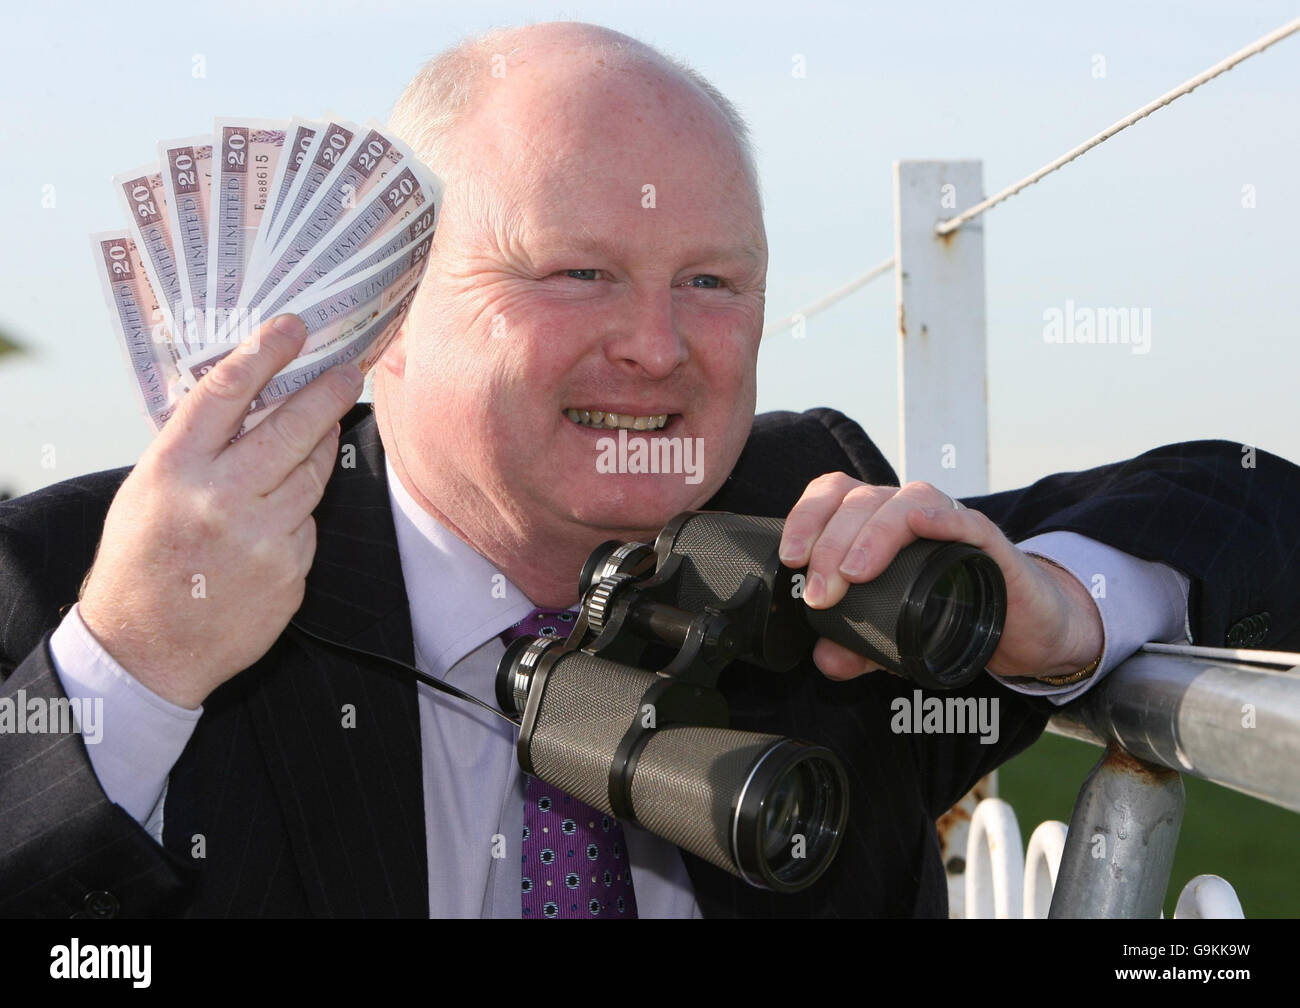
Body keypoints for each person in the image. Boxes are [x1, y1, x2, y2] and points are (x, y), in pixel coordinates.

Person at [1, 22, 1296, 919]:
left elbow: (1253, 498)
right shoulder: (97, 580)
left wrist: (1060, 615)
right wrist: (135, 674)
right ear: (378, 315)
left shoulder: (810, 536)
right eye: (580, 273)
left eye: (713, 283)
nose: (659, 347)